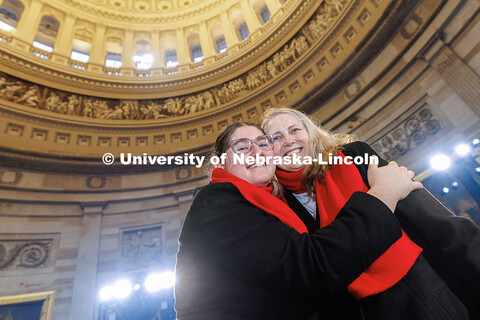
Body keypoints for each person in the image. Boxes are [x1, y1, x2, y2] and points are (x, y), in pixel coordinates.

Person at [175, 121, 423, 319]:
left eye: (263, 143)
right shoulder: (216, 202)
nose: (256, 151)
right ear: (221, 163)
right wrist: (384, 193)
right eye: (241, 147)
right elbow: (312, 267)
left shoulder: (273, 201)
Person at [261, 107, 480, 319]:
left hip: (421, 292)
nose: (288, 141)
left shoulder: (354, 156)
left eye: (294, 130)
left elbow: (434, 221)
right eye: (276, 138)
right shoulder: (280, 207)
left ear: (310, 132)